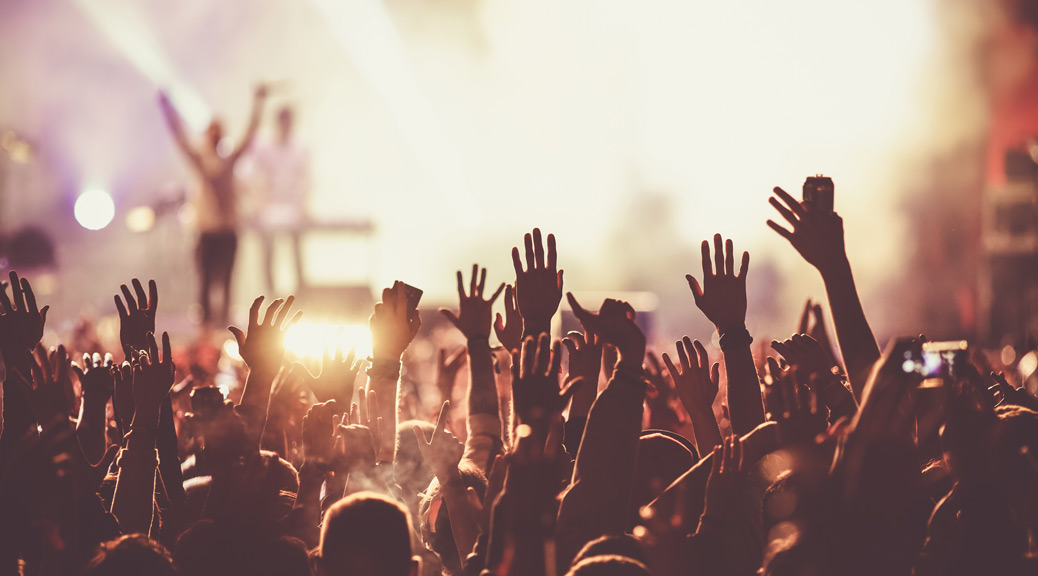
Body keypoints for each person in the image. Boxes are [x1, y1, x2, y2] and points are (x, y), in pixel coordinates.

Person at [158, 85, 268, 325]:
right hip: (207, 231)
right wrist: (167, 109)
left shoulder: (228, 160)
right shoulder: (201, 160)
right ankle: (207, 331)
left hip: (227, 231)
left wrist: (259, 105)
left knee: (227, 284)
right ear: (208, 135)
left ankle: (222, 328)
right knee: (207, 283)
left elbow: (249, 136)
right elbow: (179, 137)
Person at [249, 106, 310, 293]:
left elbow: (306, 179)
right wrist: (259, 201)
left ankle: (301, 293)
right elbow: (252, 174)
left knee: (297, 252)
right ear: (278, 123)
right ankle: (270, 293)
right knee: (268, 253)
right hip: (270, 208)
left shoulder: (301, 146)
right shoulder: (264, 146)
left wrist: (304, 205)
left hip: (293, 208)